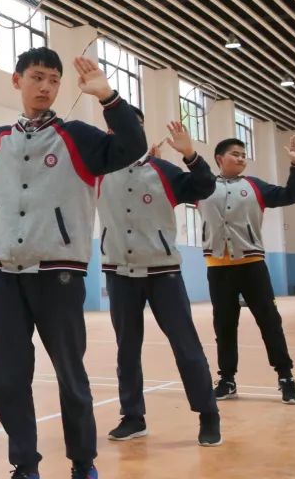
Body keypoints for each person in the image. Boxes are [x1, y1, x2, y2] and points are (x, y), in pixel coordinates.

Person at [0, 47, 146, 479]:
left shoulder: (80, 139)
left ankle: (83, 463)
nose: (45, 86)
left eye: (53, 79)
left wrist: (108, 97)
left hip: (59, 275)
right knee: (9, 380)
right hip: (5, 274)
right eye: (37, 77)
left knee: (71, 376)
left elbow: (131, 145)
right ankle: (24, 465)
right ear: (17, 81)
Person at [97, 110, 219, 447]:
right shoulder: (98, 174)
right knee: (127, 349)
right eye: (115, 126)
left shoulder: (163, 171)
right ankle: (132, 417)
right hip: (119, 273)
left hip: (163, 273)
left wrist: (190, 155)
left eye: (131, 126)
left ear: (139, 130)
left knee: (186, 346)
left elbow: (204, 187)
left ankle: (208, 414)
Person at [201, 135, 295, 405]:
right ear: (219, 158)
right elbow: (170, 191)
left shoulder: (254, 186)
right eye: (235, 153)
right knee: (224, 326)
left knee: (270, 322)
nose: (241, 158)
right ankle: (227, 379)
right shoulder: (202, 186)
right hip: (218, 267)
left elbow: (291, 195)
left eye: (243, 154)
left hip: (252, 265)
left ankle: (286, 378)